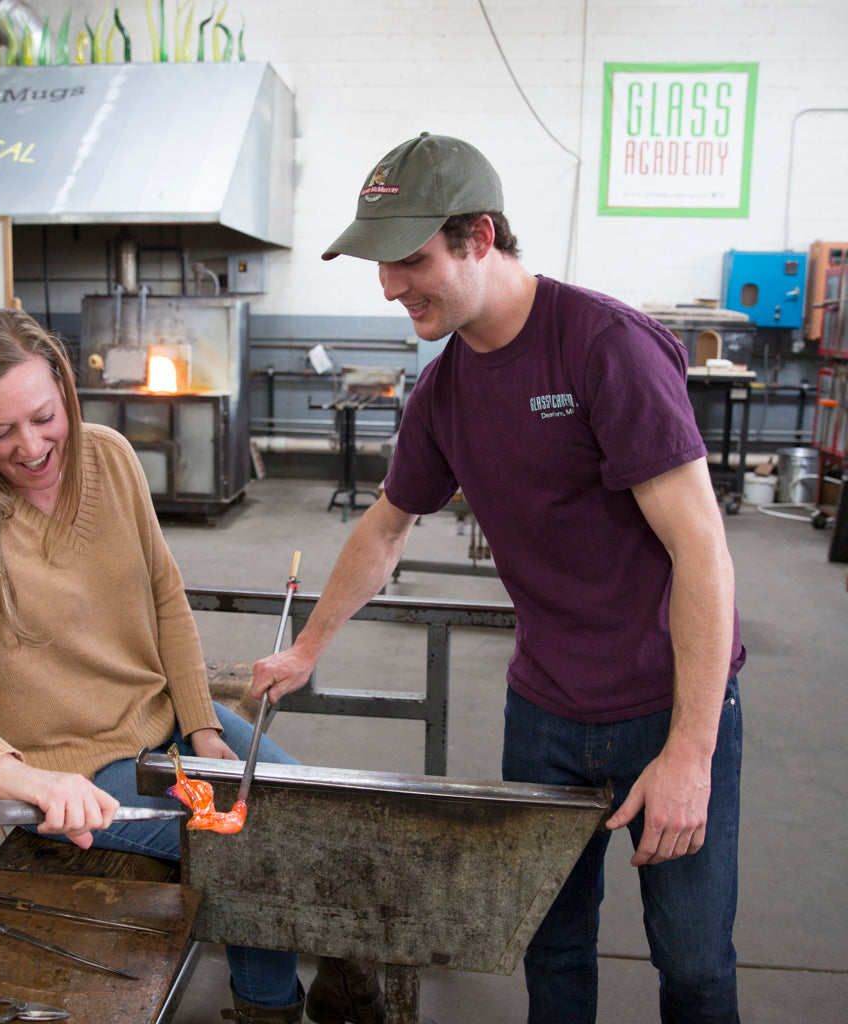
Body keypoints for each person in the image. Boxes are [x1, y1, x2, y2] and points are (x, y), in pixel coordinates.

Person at [251, 134, 745, 1024]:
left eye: (409, 260)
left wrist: (691, 751)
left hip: (662, 704)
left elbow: (702, 549)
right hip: (546, 712)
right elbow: (386, 526)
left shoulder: (605, 349)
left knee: (696, 967)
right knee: (551, 951)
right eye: (381, 264)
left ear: (479, 237)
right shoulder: (443, 393)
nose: (390, 286)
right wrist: (306, 648)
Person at [0, 308, 383, 1024]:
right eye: (0, 432)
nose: (33, 446)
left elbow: (164, 591)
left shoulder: (108, 456)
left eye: (44, 417)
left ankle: (344, 969)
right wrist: (12, 772)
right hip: (82, 775)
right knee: (255, 842)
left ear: (67, 396)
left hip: (165, 728)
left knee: (322, 809)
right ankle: (270, 1009)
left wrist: (200, 726)